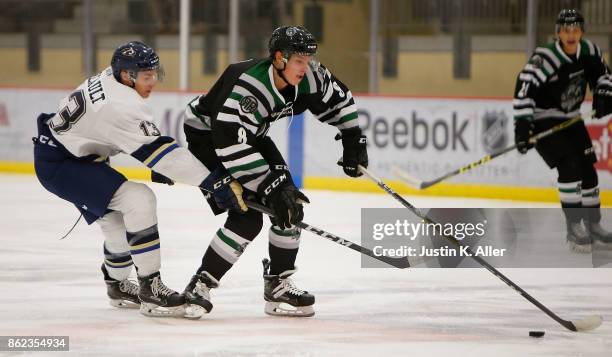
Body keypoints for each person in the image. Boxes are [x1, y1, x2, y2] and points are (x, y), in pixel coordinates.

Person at [33, 41, 245, 319]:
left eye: (155, 73)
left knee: (117, 226)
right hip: (65, 164)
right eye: (147, 76)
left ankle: (118, 285)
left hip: (67, 154)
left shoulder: (110, 78)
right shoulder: (121, 105)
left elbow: (107, 131)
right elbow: (162, 153)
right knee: (139, 200)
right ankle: (150, 287)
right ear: (126, 76)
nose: (153, 81)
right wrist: (212, 180)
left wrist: (153, 154)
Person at [165, 26, 368, 317]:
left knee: (290, 205)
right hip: (210, 139)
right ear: (278, 58)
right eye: (299, 60)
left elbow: (338, 99)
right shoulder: (248, 86)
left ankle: (278, 284)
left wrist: (352, 138)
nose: (305, 67)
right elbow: (229, 144)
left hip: (251, 135)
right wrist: (269, 186)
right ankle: (199, 286)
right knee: (246, 218)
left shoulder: (308, 75)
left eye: (308, 59)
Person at [513, 9, 612, 253]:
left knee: (588, 169)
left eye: (576, 29)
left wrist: (603, 95)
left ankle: (593, 224)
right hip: (543, 121)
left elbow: (604, 76)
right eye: (566, 30)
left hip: (572, 118)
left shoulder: (589, 52)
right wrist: (523, 125)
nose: (571, 34)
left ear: (582, 32)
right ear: (558, 32)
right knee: (569, 166)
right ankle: (574, 226)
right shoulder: (545, 58)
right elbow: (524, 89)